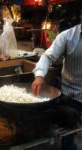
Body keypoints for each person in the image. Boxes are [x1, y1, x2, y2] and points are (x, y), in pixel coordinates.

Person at [32, 9, 82, 150]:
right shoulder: (67, 37)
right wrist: (40, 75)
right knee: (69, 129)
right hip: (72, 94)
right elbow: (48, 56)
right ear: (81, 15)